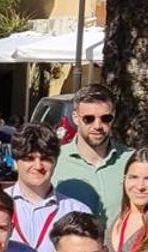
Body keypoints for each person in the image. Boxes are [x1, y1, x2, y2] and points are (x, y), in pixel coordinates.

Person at [5, 123, 90, 252]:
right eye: (29, 158)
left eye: (45, 159)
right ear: (15, 162)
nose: (38, 166)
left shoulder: (77, 212)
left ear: (55, 162)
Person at [53, 83, 133, 222]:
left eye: (105, 118)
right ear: (75, 118)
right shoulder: (54, 161)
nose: (97, 126)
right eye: (89, 119)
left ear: (113, 117)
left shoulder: (131, 160)